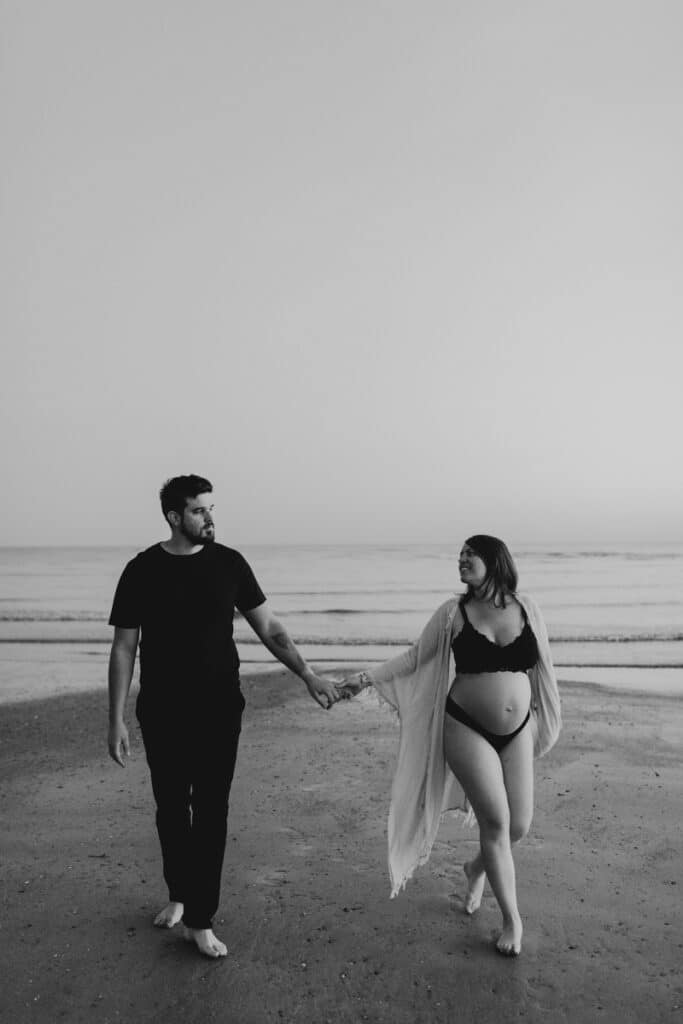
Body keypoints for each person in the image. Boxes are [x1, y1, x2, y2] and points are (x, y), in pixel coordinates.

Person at [107, 474, 340, 958]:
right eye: (199, 510)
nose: (210, 518)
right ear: (174, 517)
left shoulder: (230, 563)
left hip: (219, 708)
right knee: (172, 809)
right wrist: (116, 718)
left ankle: (200, 919)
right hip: (163, 710)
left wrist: (307, 674)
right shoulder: (141, 570)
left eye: (212, 509)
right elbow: (124, 647)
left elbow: (269, 628)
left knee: (212, 811)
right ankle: (179, 893)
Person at [341, 535, 561, 957]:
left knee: (519, 826)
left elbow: (543, 666)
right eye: (459, 555)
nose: (461, 559)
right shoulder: (452, 614)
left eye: (470, 554)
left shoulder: (527, 608)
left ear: (495, 560)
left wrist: (540, 716)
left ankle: (476, 868)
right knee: (495, 822)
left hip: (518, 730)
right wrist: (365, 679)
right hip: (465, 727)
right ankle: (512, 920)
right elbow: (414, 658)